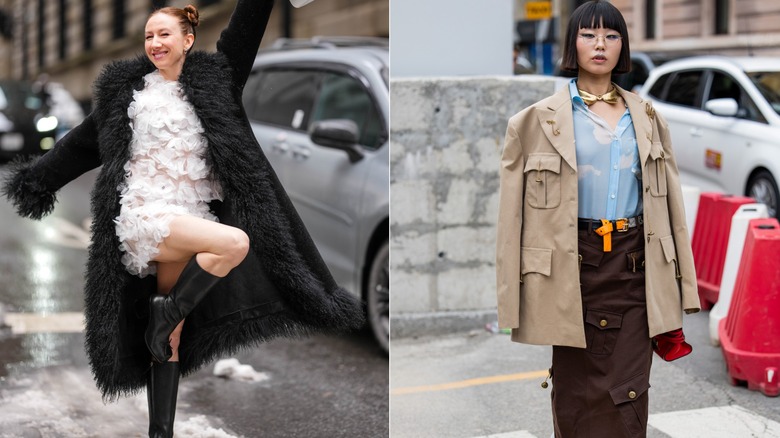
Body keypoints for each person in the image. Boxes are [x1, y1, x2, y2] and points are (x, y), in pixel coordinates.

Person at [3, 1, 363, 437]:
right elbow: (79, 146)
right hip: (144, 216)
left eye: (164, 35)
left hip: (188, 216)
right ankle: (165, 312)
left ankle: (161, 430)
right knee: (234, 243)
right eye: (149, 36)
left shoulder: (217, 81)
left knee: (170, 337)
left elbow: (243, 29)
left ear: (188, 40)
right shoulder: (128, 93)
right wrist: (36, 181)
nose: (155, 43)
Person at [495, 1, 700, 437]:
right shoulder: (532, 122)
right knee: (574, 388)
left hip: (634, 268)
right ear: (573, 44)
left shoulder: (646, 117)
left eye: (611, 35)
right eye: (588, 35)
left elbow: (672, 211)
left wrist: (684, 287)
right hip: (572, 270)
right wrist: (509, 302)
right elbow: (510, 220)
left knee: (628, 389)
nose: (600, 44)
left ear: (622, 46)